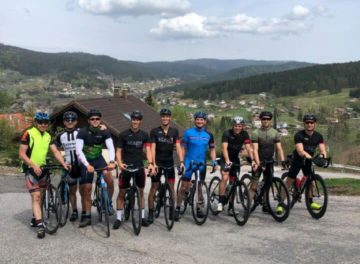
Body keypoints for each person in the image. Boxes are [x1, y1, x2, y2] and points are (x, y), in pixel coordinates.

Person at [19, 111, 68, 239]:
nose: (43, 125)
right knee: (36, 196)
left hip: (43, 168)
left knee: (40, 196)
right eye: (40, 122)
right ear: (36, 122)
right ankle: (40, 226)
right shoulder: (28, 133)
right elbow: (22, 154)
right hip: (31, 169)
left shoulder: (48, 135)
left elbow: (55, 151)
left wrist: (63, 163)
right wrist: (33, 165)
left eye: (45, 122)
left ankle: (35, 217)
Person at [113, 110, 154, 229]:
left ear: (140, 121)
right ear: (131, 120)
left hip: (139, 166)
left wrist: (150, 163)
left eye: (137, 119)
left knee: (140, 192)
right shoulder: (123, 134)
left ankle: (141, 218)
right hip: (126, 166)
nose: (135, 121)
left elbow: (148, 150)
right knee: (122, 192)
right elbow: (119, 151)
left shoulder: (145, 135)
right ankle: (118, 218)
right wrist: (120, 163)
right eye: (133, 119)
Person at [75, 109, 116, 228]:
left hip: (99, 160)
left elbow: (111, 147)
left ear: (100, 120)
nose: (95, 121)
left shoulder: (104, 131)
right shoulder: (82, 132)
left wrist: (112, 161)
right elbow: (78, 151)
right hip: (86, 161)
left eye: (97, 119)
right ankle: (87, 216)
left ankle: (108, 204)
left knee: (109, 179)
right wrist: (87, 165)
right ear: (88, 121)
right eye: (92, 119)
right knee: (87, 188)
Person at [175, 111, 217, 221]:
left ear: (205, 121)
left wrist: (213, 161)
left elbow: (212, 149)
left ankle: (198, 208)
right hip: (189, 162)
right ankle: (178, 208)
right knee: (183, 187)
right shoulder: (188, 133)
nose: (199, 121)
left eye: (202, 119)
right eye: (197, 119)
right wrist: (182, 162)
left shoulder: (209, 135)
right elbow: (183, 148)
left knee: (199, 187)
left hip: (201, 164)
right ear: (195, 120)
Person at [147, 108, 184, 224]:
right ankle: (151, 212)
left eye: (167, 116)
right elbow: (152, 148)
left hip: (169, 163)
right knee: (154, 187)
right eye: (163, 116)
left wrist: (181, 162)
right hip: (158, 163)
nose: (165, 118)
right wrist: (153, 164)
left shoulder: (174, 131)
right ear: (160, 118)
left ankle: (172, 210)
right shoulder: (154, 131)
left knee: (172, 186)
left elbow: (178, 147)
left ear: (170, 118)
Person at [285, 114, 327, 210]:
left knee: (311, 181)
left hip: (308, 160)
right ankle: (280, 203)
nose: (309, 124)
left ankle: (310, 202)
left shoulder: (318, 136)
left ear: (314, 124)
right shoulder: (299, 135)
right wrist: (312, 159)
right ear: (304, 124)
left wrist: (323, 157)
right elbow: (300, 151)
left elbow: (322, 150)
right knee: (289, 181)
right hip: (298, 159)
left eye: (311, 122)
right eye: (307, 122)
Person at [249, 111, 286, 214]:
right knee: (254, 186)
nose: (265, 121)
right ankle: (247, 207)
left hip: (269, 162)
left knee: (268, 184)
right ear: (261, 120)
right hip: (259, 161)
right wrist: (258, 162)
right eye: (263, 119)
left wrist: (282, 160)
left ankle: (265, 205)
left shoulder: (275, 133)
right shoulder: (256, 133)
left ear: (270, 120)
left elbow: (279, 149)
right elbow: (255, 150)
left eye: (268, 119)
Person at [217, 116, 255, 214]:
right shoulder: (226, 133)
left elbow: (248, 148)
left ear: (242, 126)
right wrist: (227, 160)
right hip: (225, 158)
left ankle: (230, 207)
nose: (237, 127)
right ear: (232, 126)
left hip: (235, 160)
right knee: (225, 177)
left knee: (233, 183)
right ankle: (220, 202)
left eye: (239, 126)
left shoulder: (245, 134)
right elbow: (224, 148)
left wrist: (253, 160)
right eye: (235, 126)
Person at [53, 111, 81, 222]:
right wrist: (62, 160)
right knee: (72, 191)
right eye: (67, 120)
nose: (70, 122)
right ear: (64, 122)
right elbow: (55, 149)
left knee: (84, 191)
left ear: (76, 122)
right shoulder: (60, 135)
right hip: (69, 166)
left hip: (81, 165)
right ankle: (74, 210)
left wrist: (103, 126)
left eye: (72, 120)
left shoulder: (81, 132)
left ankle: (85, 212)